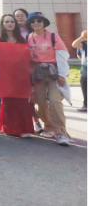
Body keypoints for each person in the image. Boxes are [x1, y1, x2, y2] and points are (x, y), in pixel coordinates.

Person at [27, 12, 71, 146]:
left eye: (39, 21)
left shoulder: (53, 36)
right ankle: (48, 126)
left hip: (53, 73)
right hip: (37, 74)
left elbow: (62, 55)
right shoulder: (28, 37)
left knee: (54, 101)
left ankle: (60, 132)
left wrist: (62, 74)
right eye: (33, 21)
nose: (36, 23)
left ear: (43, 23)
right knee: (40, 102)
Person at [0, 14, 34, 138]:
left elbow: (27, 57)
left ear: (15, 24)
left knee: (22, 101)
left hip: (21, 76)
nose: (9, 24)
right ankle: (9, 128)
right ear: (2, 24)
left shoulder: (22, 40)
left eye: (12, 21)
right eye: (6, 22)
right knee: (8, 102)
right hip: (5, 75)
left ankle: (24, 128)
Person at [13, 7, 42, 131]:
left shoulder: (33, 31)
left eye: (22, 15)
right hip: (16, 68)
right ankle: (21, 122)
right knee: (20, 97)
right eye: (17, 15)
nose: (19, 17)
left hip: (33, 66)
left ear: (27, 17)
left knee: (33, 97)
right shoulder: (12, 31)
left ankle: (36, 122)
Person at [72, 30, 87, 112]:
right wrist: (82, 37)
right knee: (84, 85)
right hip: (85, 68)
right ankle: (86, 104)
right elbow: (74, 45)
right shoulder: (84, 43)